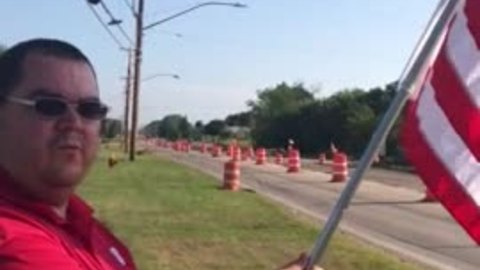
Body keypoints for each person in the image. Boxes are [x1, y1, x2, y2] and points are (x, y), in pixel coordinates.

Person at [0, 39, 320, 270]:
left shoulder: (77, 223)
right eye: (49, 106)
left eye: (89, 109)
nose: (73, 123)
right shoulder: (12, 241)